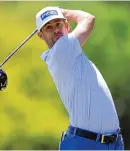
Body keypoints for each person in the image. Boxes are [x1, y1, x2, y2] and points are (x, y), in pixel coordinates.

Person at [35, 6, 124, 150]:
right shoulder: (62, 49)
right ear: (41, 35)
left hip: (110, 142)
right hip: (85, 144)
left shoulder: (71, 53)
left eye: (58, 24)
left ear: (67, 27)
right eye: (48, 28)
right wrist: (65, 13)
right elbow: (88, 19)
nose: (56, 30)